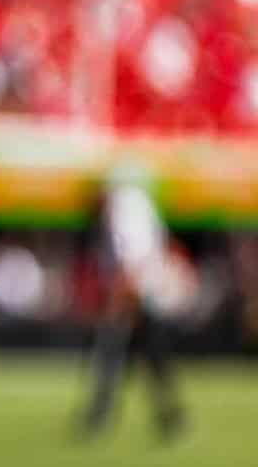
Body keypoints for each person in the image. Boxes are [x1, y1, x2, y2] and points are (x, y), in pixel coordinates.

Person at [80, 172, 194, 440]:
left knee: (115, 352)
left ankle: (102, 414)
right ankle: (168, 415)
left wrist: (119, 301)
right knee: (149, 354)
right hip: (144, 290)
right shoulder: (137, 206)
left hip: (138, 293)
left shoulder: (123, 211)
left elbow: (130, 262)